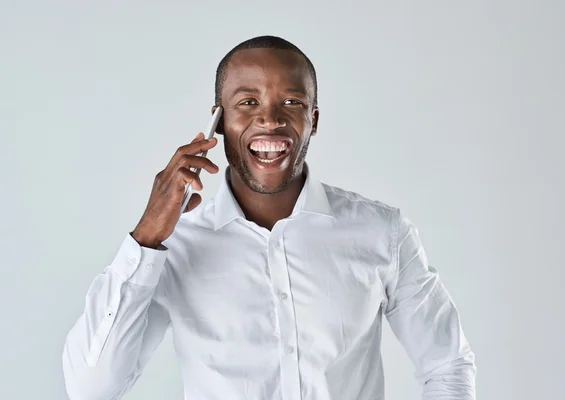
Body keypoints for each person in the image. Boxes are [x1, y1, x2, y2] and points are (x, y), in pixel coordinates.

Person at [62, 35, 476, 400]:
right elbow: (92, 387)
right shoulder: (175, 243)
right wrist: (147, 237)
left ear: (312, 121)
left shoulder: (382, 233)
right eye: (248, 102)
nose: (271, 119)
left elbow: (448, 365)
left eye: (292, 103)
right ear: (219, 121)